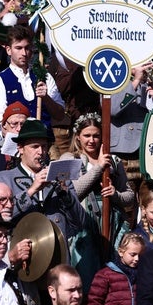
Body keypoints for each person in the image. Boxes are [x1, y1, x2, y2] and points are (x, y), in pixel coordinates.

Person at [60, 112, 134, 288]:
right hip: (84, 223)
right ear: (78, 137)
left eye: (96, 135)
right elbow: (74, 193)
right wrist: (99, 167)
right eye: (87, 135)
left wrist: (115, 195)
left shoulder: (114, 160)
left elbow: (130, 196)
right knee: (88, 275)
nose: (91, 140)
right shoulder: (70, 159)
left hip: (112, 222)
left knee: (114, 271)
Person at [0, 119, 85, 240]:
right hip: (23, 251)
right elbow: (0, 218)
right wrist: (32, 190)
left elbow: (81, 222)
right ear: (20, 148)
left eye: (44, 146)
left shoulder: (60, 177)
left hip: (58, 251)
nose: (41, 152)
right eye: (35, 147)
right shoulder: (2, 178)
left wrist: (65, 193)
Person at [0, 25, 65, 141]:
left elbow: (60, 115)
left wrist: (46, 98)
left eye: (27, 48)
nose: (24, 53)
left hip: (45, 143)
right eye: (18, 48)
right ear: (8, 50)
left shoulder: (44, 77)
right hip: (16, 145)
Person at [87, 233, 146, 305]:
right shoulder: (105, 275)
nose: (137, 259)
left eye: (139, 255)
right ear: (121, 252)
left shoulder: (143, 276)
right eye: (133, 254)